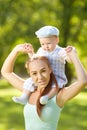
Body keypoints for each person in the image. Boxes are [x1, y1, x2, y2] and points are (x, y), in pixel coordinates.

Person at [1, 44, 87, 130]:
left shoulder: (59, 95)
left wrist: (74, 56)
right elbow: (6, 72)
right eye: (34, 73)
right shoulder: (29, 91)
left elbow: (82, 81)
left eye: (43, 71)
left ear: (50, 70)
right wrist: (15, 50)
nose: (40, 77)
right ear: (30, 74)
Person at [12, 25, 72, 105]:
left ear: (57, 40)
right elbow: (35, 60)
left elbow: (69, 60)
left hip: (57, 76)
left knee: (55, 86)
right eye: (42, 44)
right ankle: (24, 96)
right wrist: (30, 52)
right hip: (44, 76)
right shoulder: (41, 50)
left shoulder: (60, 51)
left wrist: (70, 54)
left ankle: (46, 97)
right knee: (29, 81)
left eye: (48, 43)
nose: (45, 46)